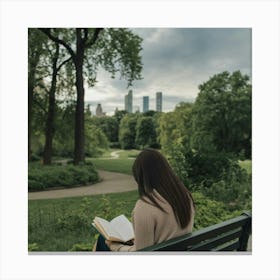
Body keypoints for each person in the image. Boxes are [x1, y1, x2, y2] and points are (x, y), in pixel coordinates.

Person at [94, 148, 195, 252]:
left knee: (103, 240)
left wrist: (115, 247)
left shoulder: (145, 205)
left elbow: (141, 254)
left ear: (141, 176)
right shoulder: (184, 195)